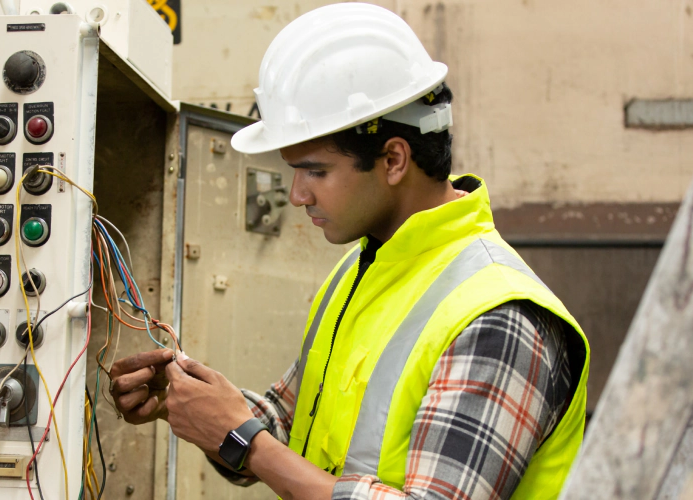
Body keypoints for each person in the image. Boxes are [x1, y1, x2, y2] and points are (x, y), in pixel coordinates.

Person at [109, 3, 590, 499]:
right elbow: (290, 431)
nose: (297, 195)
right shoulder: (362, 268)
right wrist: (189, 403)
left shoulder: (498, 318)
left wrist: (245, 442)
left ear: (394, 159)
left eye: (315, 171)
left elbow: (267, 450)